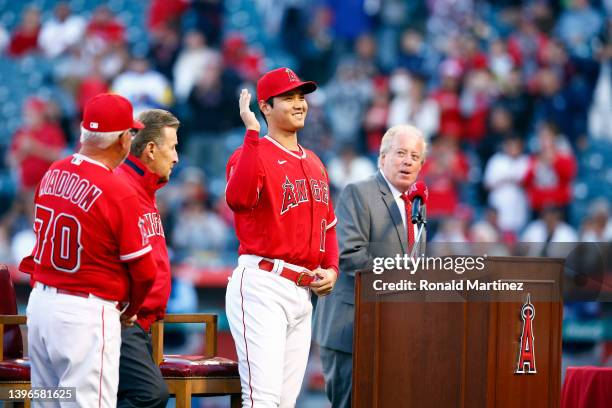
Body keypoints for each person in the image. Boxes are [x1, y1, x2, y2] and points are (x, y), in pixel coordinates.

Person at [21, 93, 156, 407]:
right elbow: (145, 272)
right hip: (84, 314)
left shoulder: (53, 171)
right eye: (130, 133)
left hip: (41, 306)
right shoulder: (118, 189)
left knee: (48, 402)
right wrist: (131, 310)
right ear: (123, 139)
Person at [225, 67, 339, 407]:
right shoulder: (252, 152)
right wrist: (250, 134)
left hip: (302, 293)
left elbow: (329, 228)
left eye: (301, 96)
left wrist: (332, 268)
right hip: (263, 284)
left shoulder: (316, 162)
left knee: (284, 403)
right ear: (265, 107)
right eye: (288, 97)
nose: (298, 103)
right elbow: (239, 199)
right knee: (262, 400)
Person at [313, 124, 428, 408]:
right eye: (401, 153)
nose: (408, 161)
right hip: (351, 330)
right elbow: (351, 255)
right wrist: (403, 273)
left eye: (415, 156)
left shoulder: (417, 206)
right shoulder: (358, 193)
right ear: (382, 158)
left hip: (392, 330)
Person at [115, 109, 180, 407]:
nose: (176, 157)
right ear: (151, 149)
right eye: (173, 147)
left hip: (142, 323)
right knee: (151, 395)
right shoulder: (123, 187)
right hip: (123, 321)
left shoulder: (144, 188)